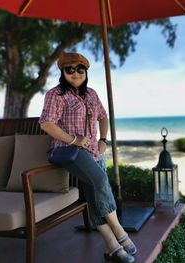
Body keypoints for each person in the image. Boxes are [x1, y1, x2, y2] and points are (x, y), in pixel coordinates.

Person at [39, 52, 136, 263]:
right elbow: (46, 123)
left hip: (94, 152)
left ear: (86, 72)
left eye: (79, 69)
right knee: (100, 181)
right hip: (67, 152)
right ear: (62, 72)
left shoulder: (91, 94)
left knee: (93, 193)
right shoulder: (56, 95)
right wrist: (73, 139)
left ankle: (112, 245)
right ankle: (118, 230)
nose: (75, 73)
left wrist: (104, 140)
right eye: (69, 69)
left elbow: (103, 116)